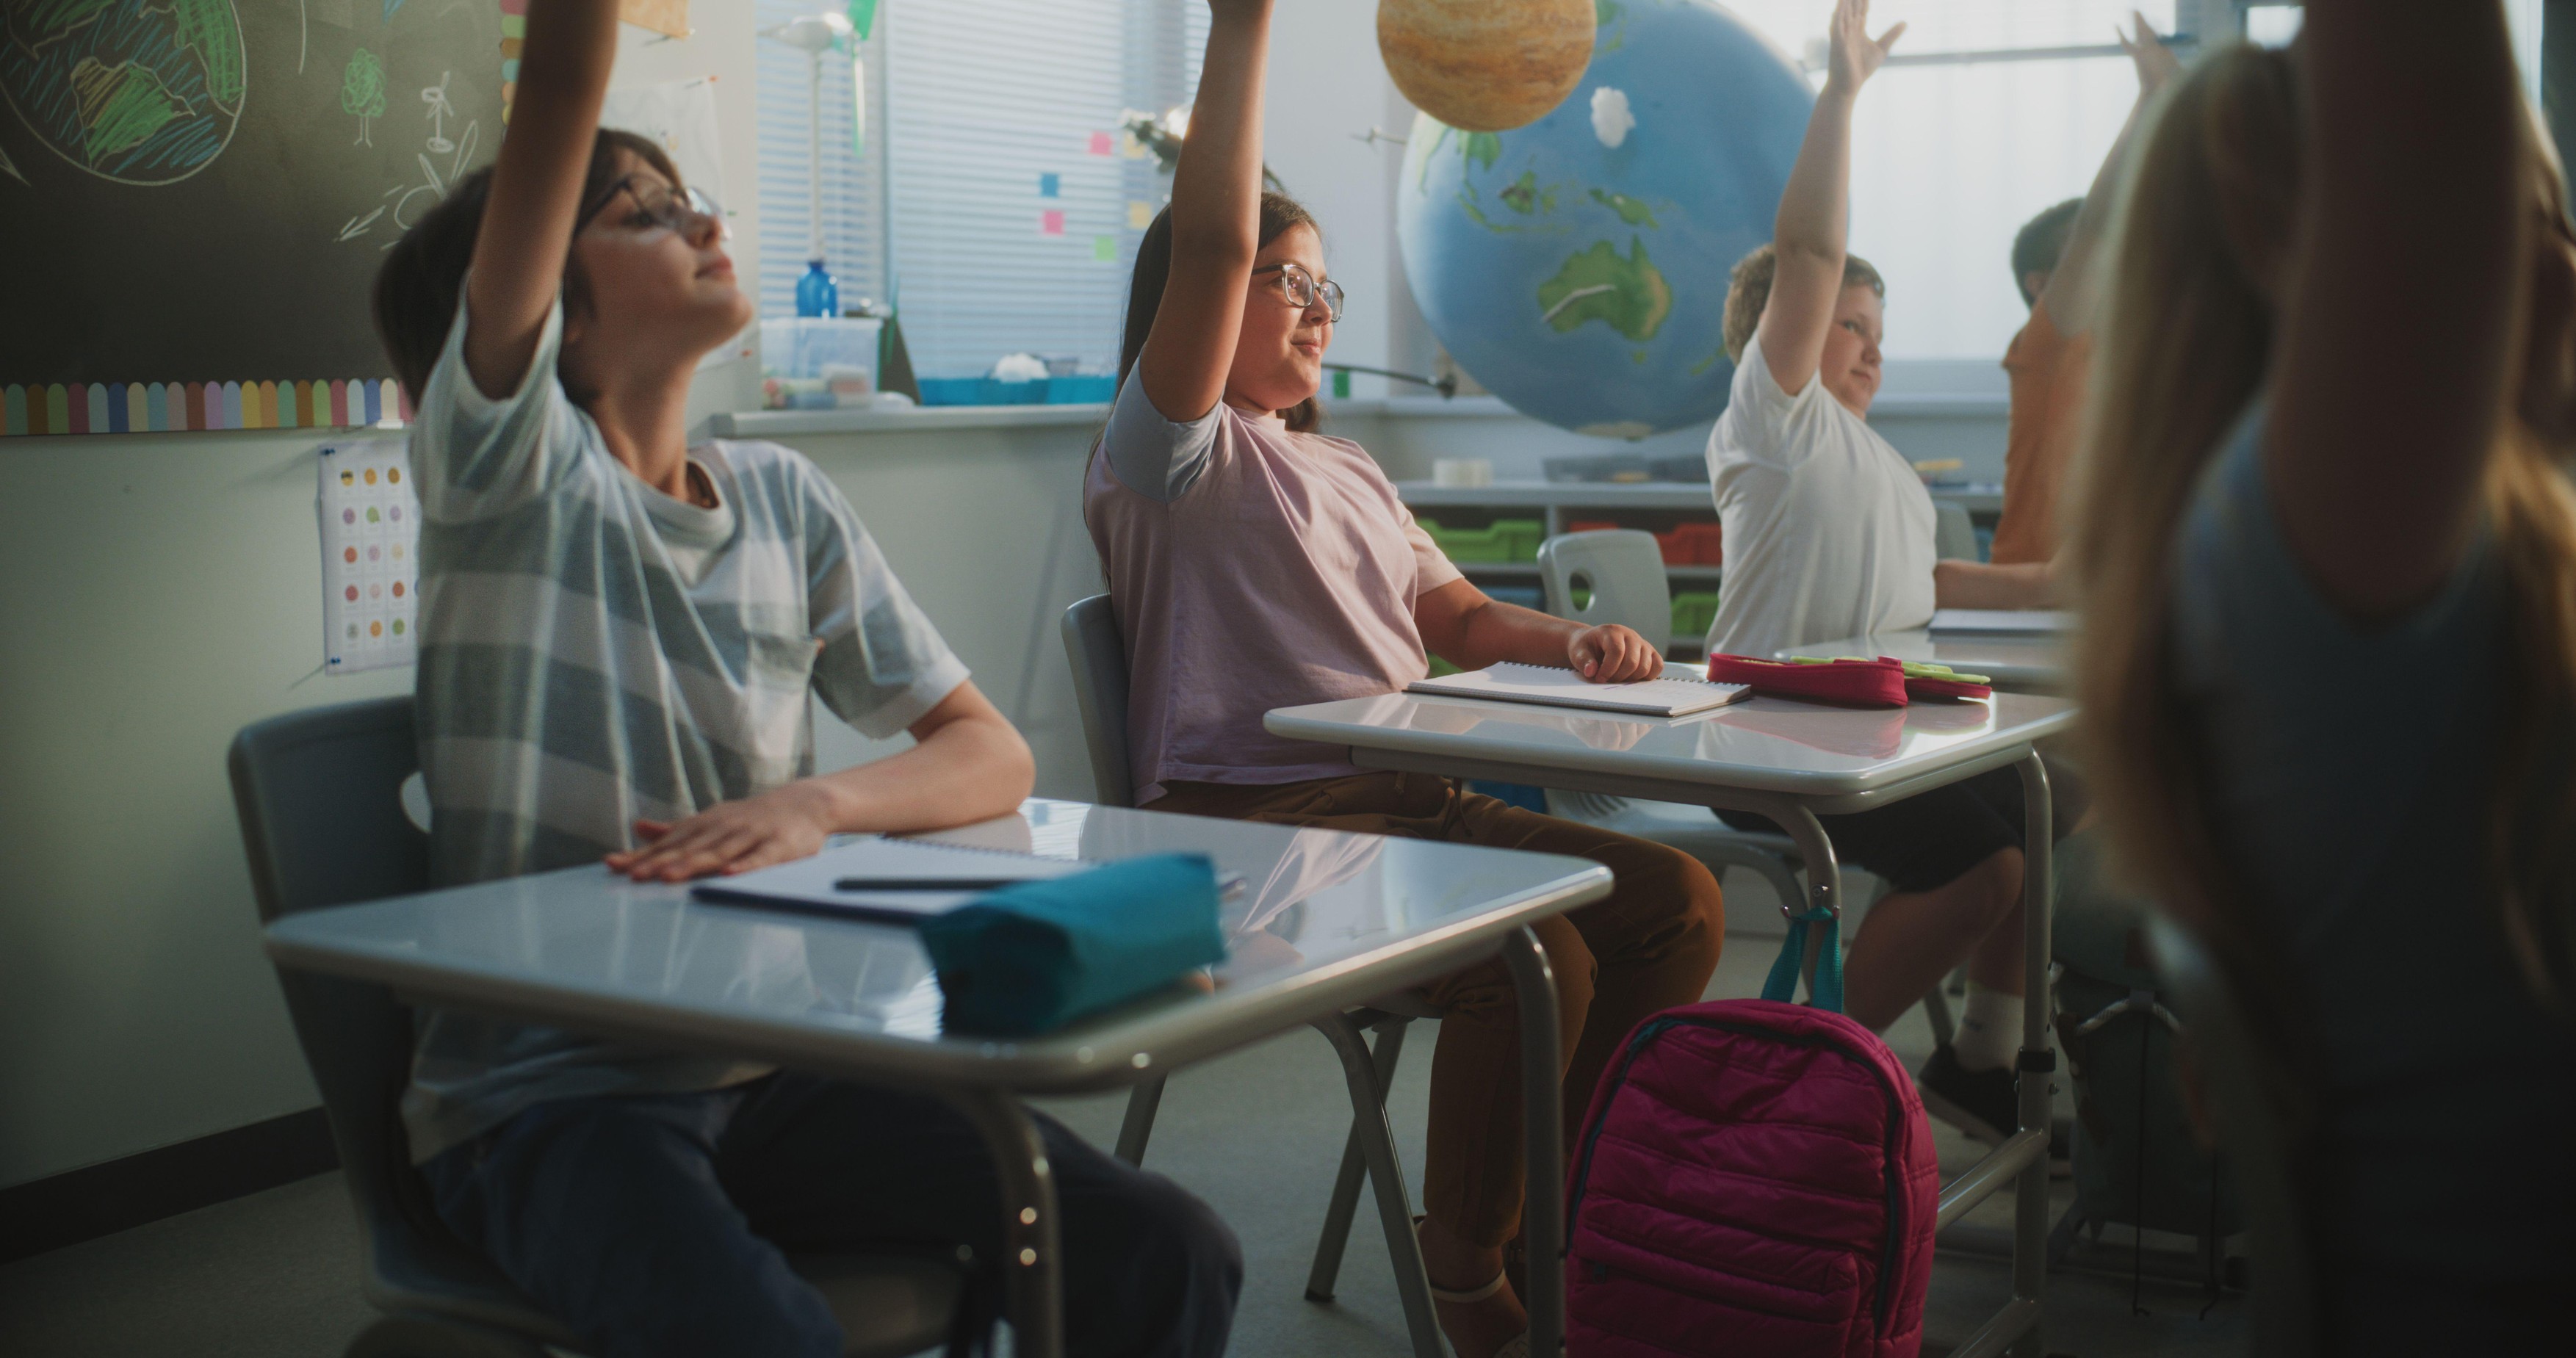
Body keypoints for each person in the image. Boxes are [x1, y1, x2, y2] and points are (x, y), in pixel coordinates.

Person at [369, 3, 1241, 1354]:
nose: (704, 220)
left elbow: (987, 752)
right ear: (549, 314)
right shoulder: (508, 477)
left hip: (775, 1065)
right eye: (644, 212)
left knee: (1163, 1245)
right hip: (552, 1098)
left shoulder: (781, 495)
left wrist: (820, 804)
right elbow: (559, 72)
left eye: (689, 195)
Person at [1080, 3, 1722, 1354]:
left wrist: (1574, 641)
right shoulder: (1170, 450)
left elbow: (1462, 615)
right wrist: (1242, 32)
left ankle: (1558, 1207)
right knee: (1528, 949)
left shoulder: (1346, 461)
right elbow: (1210, 233)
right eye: (1283, 280)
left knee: (1672, 900)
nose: (1314, 307)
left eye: (1326, 287)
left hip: (1409, 796)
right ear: (1195, 303)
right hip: (1253, 828)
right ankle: (1467, 1261)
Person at [2071, 1, 2576, 1348]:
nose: (2555, 229)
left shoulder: (2408, 561)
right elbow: (2425, 112)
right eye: (2528, 197)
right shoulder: (2310, 552)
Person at [1699, 0, 2080, 1146]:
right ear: (1782, 334)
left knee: (2044, 800)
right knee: (1984, 866)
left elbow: (1945, 588)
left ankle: (1979, 1055)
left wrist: (2083, 579)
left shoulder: (1884, 465)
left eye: (1874, 325)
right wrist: (1840, 91)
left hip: (1870, 718)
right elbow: (1807, 250)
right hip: (1772, 726)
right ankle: (1802, 1079)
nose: (1865, 342)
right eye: (1843, 321)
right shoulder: (1776, 416)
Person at [1990, 12, 2183, 568]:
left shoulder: (2126, 359)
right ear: (2040, 284)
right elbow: (2099, 228)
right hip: (2031, 604)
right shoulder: (2048, 347)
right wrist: (2152, 97)